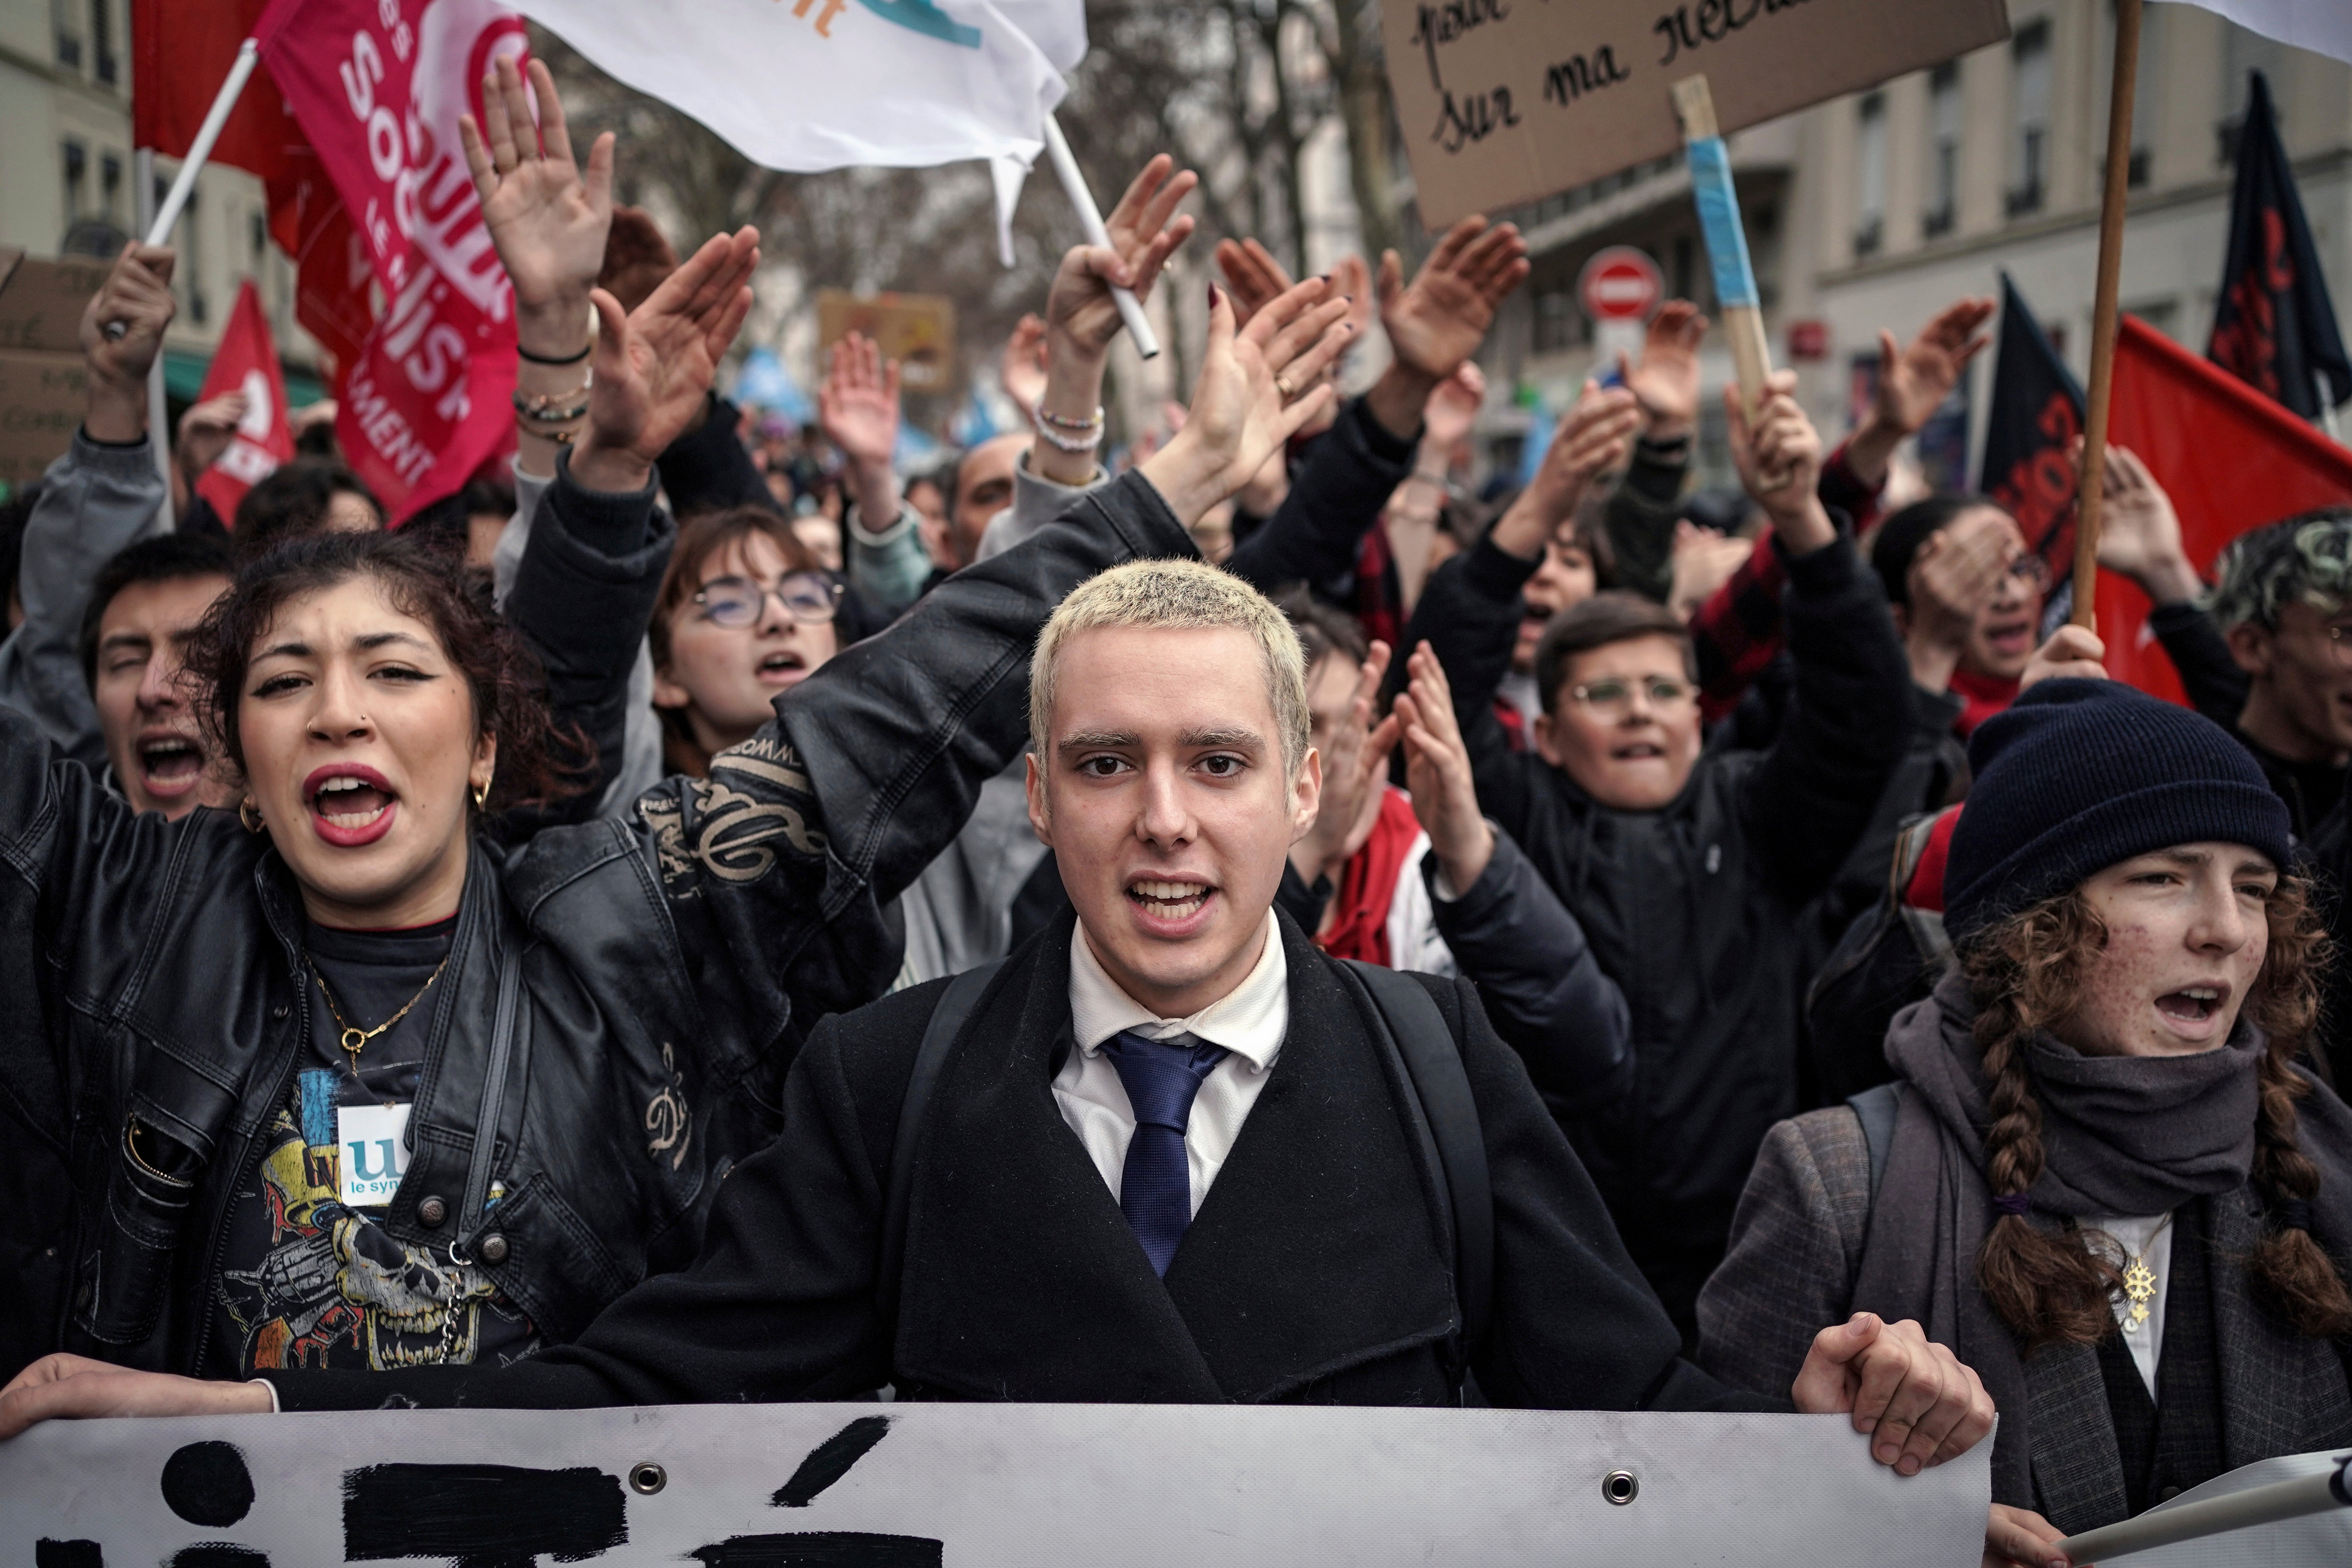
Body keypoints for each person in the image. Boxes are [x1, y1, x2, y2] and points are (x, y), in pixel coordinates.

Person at [3, 556, 1992, 1480]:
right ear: (1030, 795)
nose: (1165, 818)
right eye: (1106, 762)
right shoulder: (894, 1081)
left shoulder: (1438, 1067)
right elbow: (627, 1400)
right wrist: (254, 1415)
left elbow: (1638, 1440)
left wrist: (1836, 1469)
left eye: (1221, 758)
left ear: (1313, 792)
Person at [0, 162, 1360, 1393]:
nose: (340, 711)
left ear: (484, 748)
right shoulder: (118, 919)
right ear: (236, 758)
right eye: (286, 683)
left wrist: (1177, 474)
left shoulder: (635, 919)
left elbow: (903, 700)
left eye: (396, 673)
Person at [1698, 678, 2352, 1565]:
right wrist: (1892, 1533)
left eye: (2256, 887)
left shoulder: (2319, 1160)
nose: (2227, 931)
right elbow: (1711, 1519)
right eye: (2162, 877)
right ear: (2031, 928)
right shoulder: (1835, 1180)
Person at [1405, 371, 1914, 1337]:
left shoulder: (1764, 820)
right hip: (1551, 1256)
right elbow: (1435, 680)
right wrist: (1538, 513)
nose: (1639, 708)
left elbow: (1864, 712)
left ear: (1698, 710)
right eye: (1604, 694)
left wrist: (1804, 520)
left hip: (1749, 1253)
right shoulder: (1513, 813)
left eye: (1661, 688)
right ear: (1548, 733)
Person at [0, 242, 174, 770]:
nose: (157, 687)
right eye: (124, 658)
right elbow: (62, 652)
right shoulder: (78, 820)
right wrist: (115, 390)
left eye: (204, 657)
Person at [648, 505, 842, 777]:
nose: (782, 618)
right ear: (666, 678)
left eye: (804, 597)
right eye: (730, 605)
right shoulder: (645, 813)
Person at [78, 533, 236, 817]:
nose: (152, 690)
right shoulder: (54, 850)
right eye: (127, 662)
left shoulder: (317, 856)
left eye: (202, 654)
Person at [1870, 495, 2047, 735]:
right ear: (1904, 621)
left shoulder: (2066, 693)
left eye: (2020, 568)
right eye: (1976, 579)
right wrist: (1933, 648)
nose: (2015, 597)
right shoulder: (1873, 731)